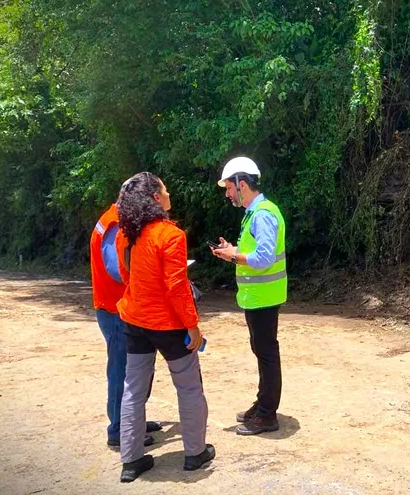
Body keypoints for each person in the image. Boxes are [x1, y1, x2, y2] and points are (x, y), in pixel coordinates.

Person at [113, 172, 215, 482]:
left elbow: (126, 276)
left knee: (133, 390)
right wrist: (193, 326)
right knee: (188, 387)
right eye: (166, 191)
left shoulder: (125, 235)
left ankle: (131, 461)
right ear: (156, 198)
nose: (170, 195)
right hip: (167, 324)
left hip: (134, 320)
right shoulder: (170, 236)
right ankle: (195, 453)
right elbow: (177, 287)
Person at [210, 157, 287, 436]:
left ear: (242, 184)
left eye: (229, 188)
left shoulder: (263, 213)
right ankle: (262, 404)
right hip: (258, 296)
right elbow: (254, 253)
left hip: (263, 297)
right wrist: (233, 252)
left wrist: (234, 256)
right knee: (263, 351)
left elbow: (264, 257)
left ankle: (267, 415)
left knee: (266, 354)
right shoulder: (255, 213)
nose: (228, 194)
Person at [89, 202, 161, 449]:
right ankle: (119, 428)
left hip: (118, 307)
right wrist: (149, 271)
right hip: (115, 309)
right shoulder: (116, 223)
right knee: (123, 371)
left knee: (134, 369)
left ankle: (133, 420)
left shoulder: (115, 220)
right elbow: (114, 268)